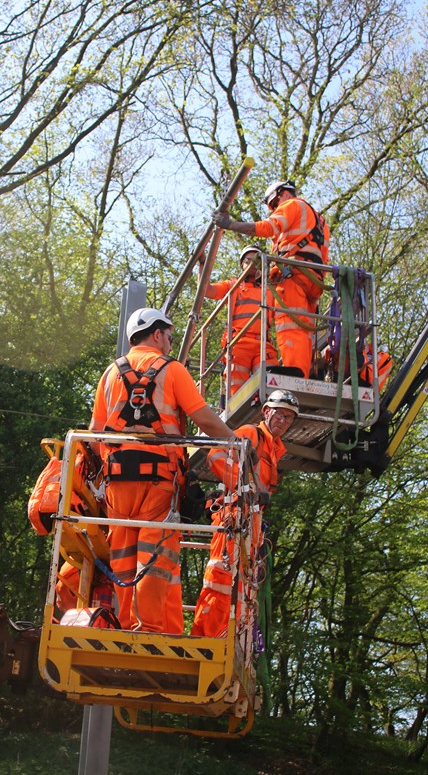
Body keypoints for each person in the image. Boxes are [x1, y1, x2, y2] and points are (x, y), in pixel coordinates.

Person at [89, 307, 238, 634]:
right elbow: (205, 420)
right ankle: (149, 631)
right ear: (156, 334)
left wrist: (110, 472)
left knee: (124, 560)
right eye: (169, 336)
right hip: (158, 482)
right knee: (155, 561)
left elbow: (95, 431)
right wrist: (238, 443)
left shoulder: (110, 373)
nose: (170, 343)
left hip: (116, 483)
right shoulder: (172, 370)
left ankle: (129, 627)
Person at [191, 389, 298, 638]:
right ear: (266, 412)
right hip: (234, 519)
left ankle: (231, 638)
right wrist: (247, 488)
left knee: (242, 588)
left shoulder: (274, 448)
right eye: (279, 415)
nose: (283, 421)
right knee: (221, 581)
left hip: (251, 525)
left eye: (288, 418)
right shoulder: (252, 434)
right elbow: (216, 455)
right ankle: (207, 638)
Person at [213, 180, 330, 379]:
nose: (275, 209)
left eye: (275, 204)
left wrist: (230, 225)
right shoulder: (319, 220)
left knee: (288, 325)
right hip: (314, 278)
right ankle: (303, 371)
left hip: (294, 276)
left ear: (283, 194)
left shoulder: (292, 205)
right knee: (303, 328)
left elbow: (268, 227)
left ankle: (296, 372)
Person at [203, 249, 278, 396]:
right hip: (239, 344)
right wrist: (203, 265)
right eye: (247, 261)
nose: (251, 265)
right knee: (236, 393)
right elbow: (207, 291)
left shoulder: (271, 291)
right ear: (241, 265)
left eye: (255, 261)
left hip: (263, 345)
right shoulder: (233, 285)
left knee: (271, 387)